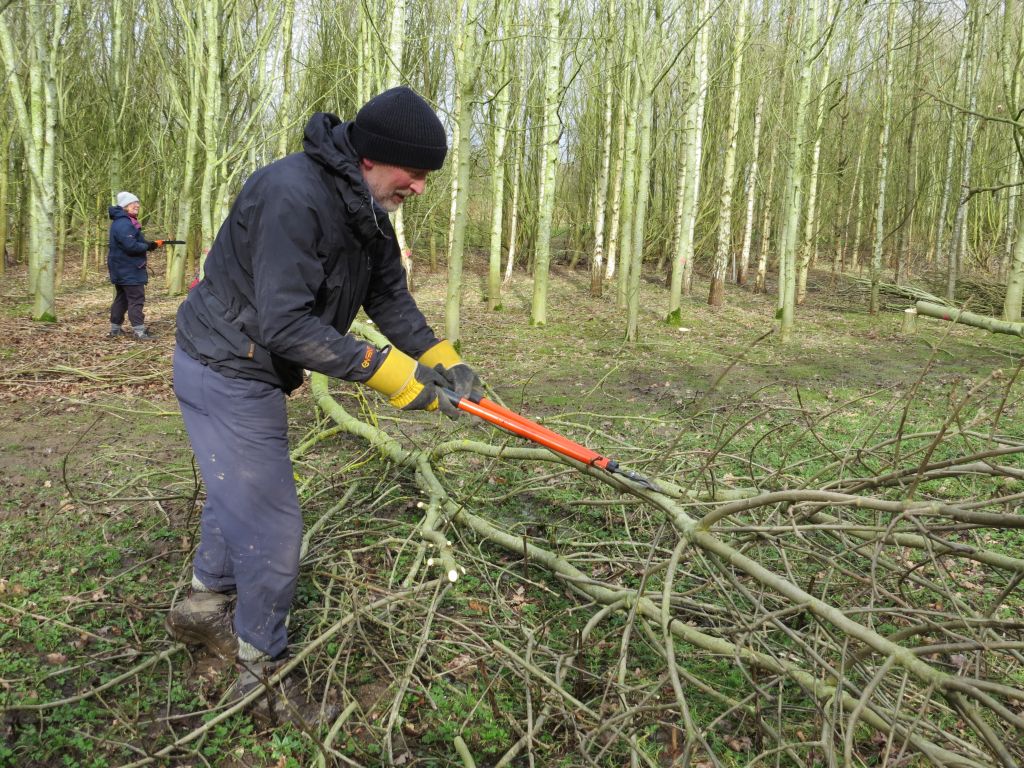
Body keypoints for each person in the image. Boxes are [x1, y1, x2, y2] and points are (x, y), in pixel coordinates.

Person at [166, 86, 482, 720]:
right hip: (225, 367)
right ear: (371, 157)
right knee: (273, 528)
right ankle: (259, 681)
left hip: (244, 365)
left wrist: (442, 361)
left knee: (238, 494)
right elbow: (285, 325)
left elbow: (389, 297)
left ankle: (199, 606)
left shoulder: (365, 208)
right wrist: (392, 375)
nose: (420, 187)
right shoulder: (293, 196)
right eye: (414, 174)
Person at [107, 191, 164, 340]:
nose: (137, 205)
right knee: (136, 299)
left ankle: (115, 330)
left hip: (122, 269)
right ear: (125, 205)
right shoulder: (124, 223)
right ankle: (139, 332)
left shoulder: (123, 221)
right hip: (129, 269)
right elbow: (131, 246)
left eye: (137, 203)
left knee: (122, 299)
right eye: (134, 203)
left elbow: (132, 242)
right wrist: (146, 246)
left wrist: (151, 245)